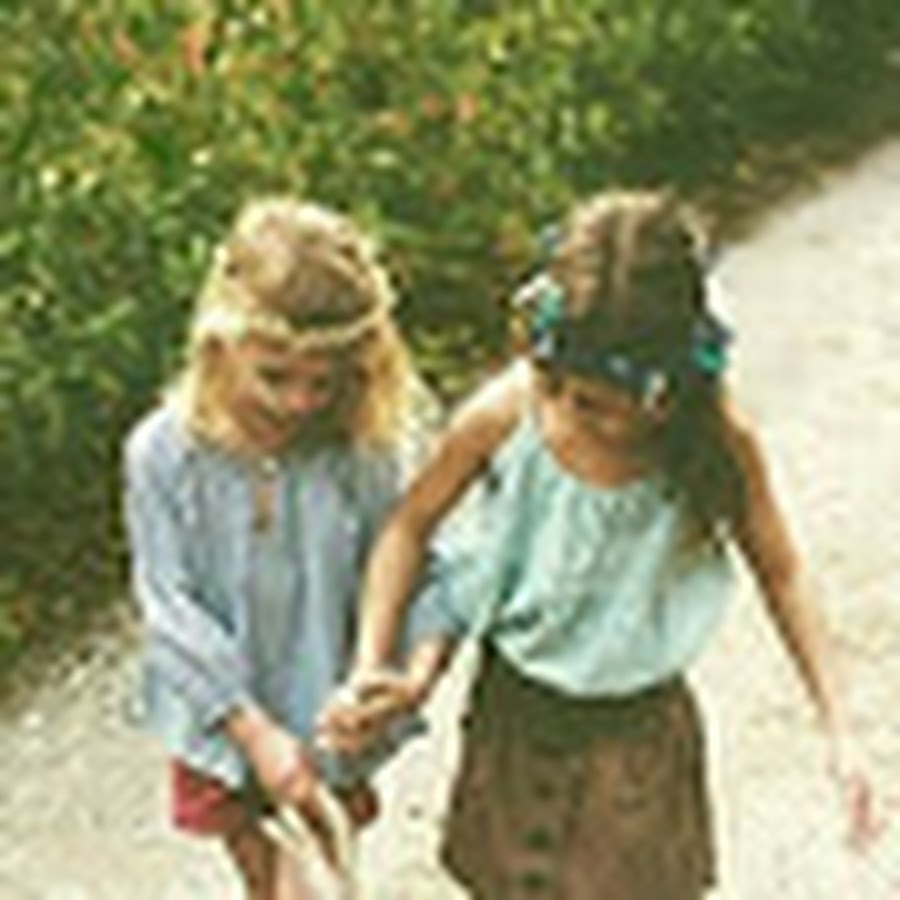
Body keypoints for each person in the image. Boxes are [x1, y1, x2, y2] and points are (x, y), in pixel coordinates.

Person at [319, 189, 881, 899]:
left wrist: (840, 728)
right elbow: (408, 528)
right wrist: (372, 664)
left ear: (680, 378)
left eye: (633, 406)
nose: (608, 425)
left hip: (637, 740)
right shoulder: (506, 416)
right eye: (582, 401)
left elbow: (784, 573)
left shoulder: (716, 436)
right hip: (515, 719)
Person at [123, 197, 447, 899]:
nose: (301, 401)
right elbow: (168, 606)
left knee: (320, 876)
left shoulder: (362, 452)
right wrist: (251, 730)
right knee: (273, 880)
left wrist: (397, 676)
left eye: (323, 383)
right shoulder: (165, 454)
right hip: (220, 717)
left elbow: (414, 570)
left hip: (326, 713)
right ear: (223, 344)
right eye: (275, 376)